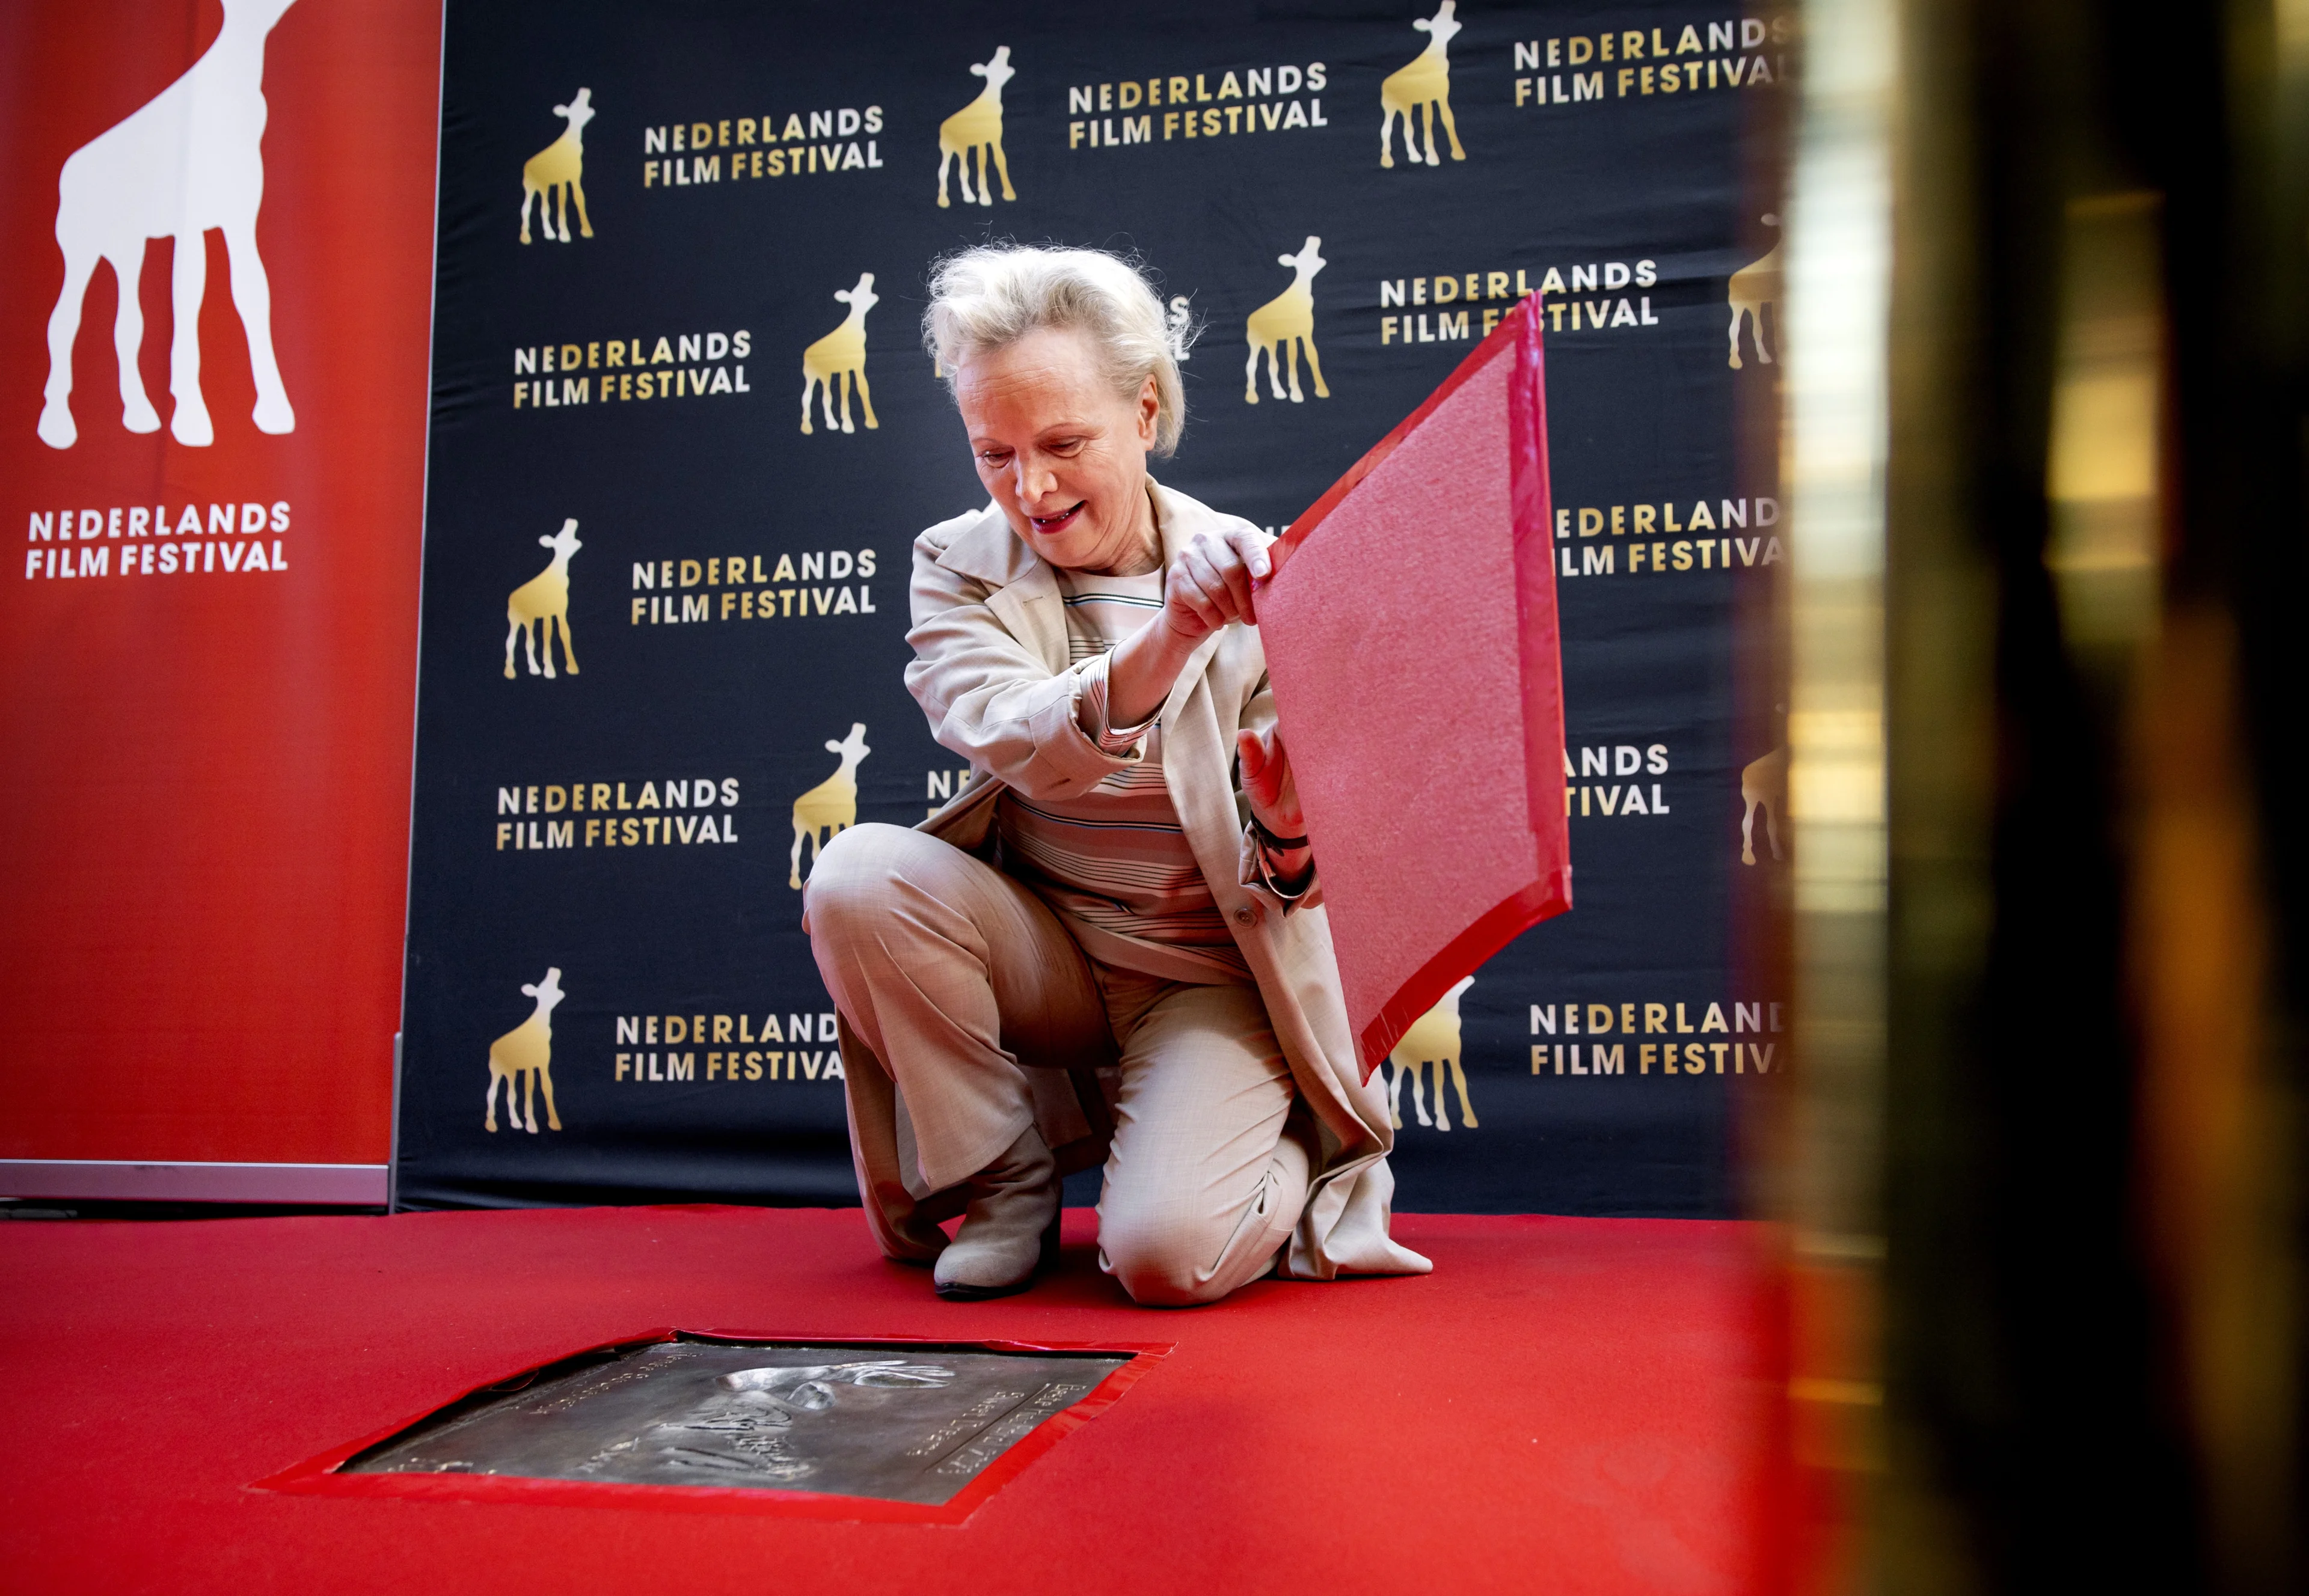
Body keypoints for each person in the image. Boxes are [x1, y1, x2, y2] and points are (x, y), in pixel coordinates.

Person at [803, 244, 1429, 1306]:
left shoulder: (1261, 581)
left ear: (1145, 413)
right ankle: (1005, 1185)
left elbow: (1304, 879)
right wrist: (1169, 637)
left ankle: (1292, 1143)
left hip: (1208, 974)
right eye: (991, 452)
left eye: (1061, 443)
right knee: (858, 876)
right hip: (1042, 946)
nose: (1028, 489)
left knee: (1164, 1262)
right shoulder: (958, 561)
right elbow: (1011, 733)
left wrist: (1287, 830)